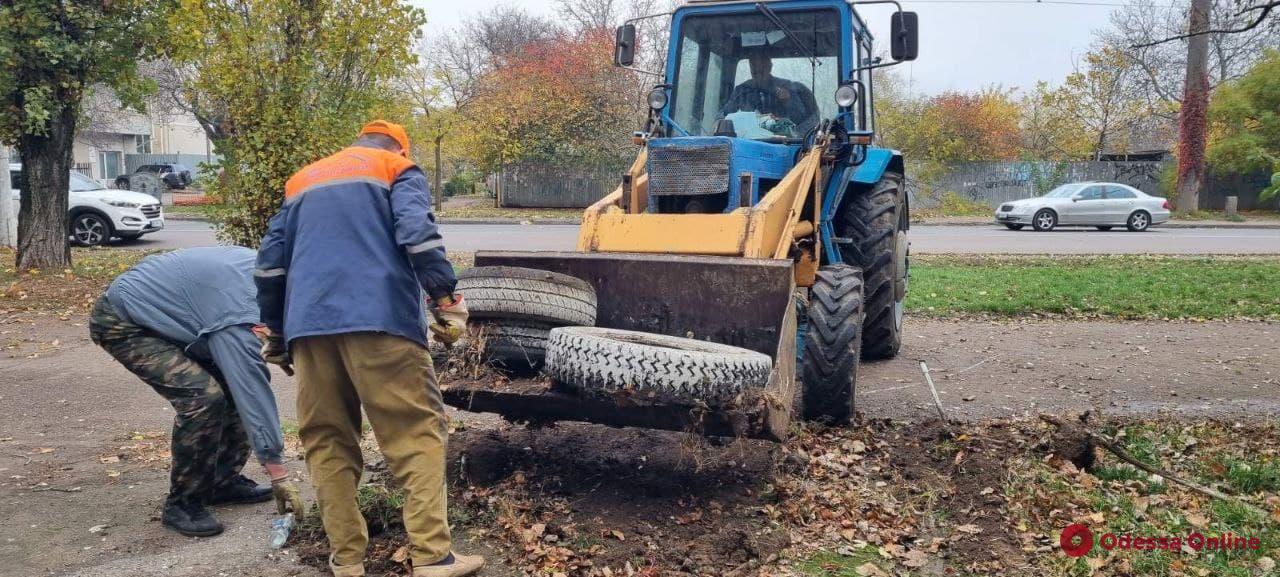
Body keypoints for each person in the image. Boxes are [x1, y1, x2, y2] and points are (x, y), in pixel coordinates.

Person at [255, 120, 481, 577]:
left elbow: (270, 267)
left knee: (328, 441)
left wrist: (277, 335)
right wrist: (445, 300)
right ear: (400, 145)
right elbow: (417, 235)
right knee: (414, 433)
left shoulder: (303, 179)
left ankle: (347, 561)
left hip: (309, 328)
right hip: (381, 321)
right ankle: (433, 557)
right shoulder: (395, 166)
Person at [88, 247, 303, 537]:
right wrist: (278, 471)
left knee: (227, 388)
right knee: (203, 398)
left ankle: (221, 482)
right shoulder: (241, 313)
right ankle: (182, 504)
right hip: (125, 320)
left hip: (178, 314)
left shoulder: (274, 274)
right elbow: (251, 388)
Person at [719, 50, 820, 135]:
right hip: (746, 143)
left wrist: (788, 102)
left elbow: (806, 122)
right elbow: (724, 116)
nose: (758, 76)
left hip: (787, 145)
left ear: (769, 66)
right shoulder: (741, 91)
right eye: (755, 72)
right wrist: (718, 122)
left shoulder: (792, 89)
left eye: (761, 71)